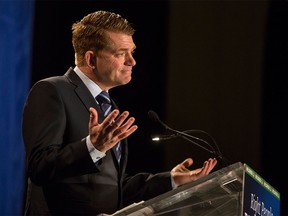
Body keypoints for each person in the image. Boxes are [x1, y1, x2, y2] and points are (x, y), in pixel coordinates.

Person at [22, 10, 218, 215]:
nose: (132, 61)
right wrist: (92, 146)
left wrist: (170, 180)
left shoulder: (109, 106)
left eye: (132, 52)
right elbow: (40, 168)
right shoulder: (52, 91)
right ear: (91, 59)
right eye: (121, 53)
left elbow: (112, 188)